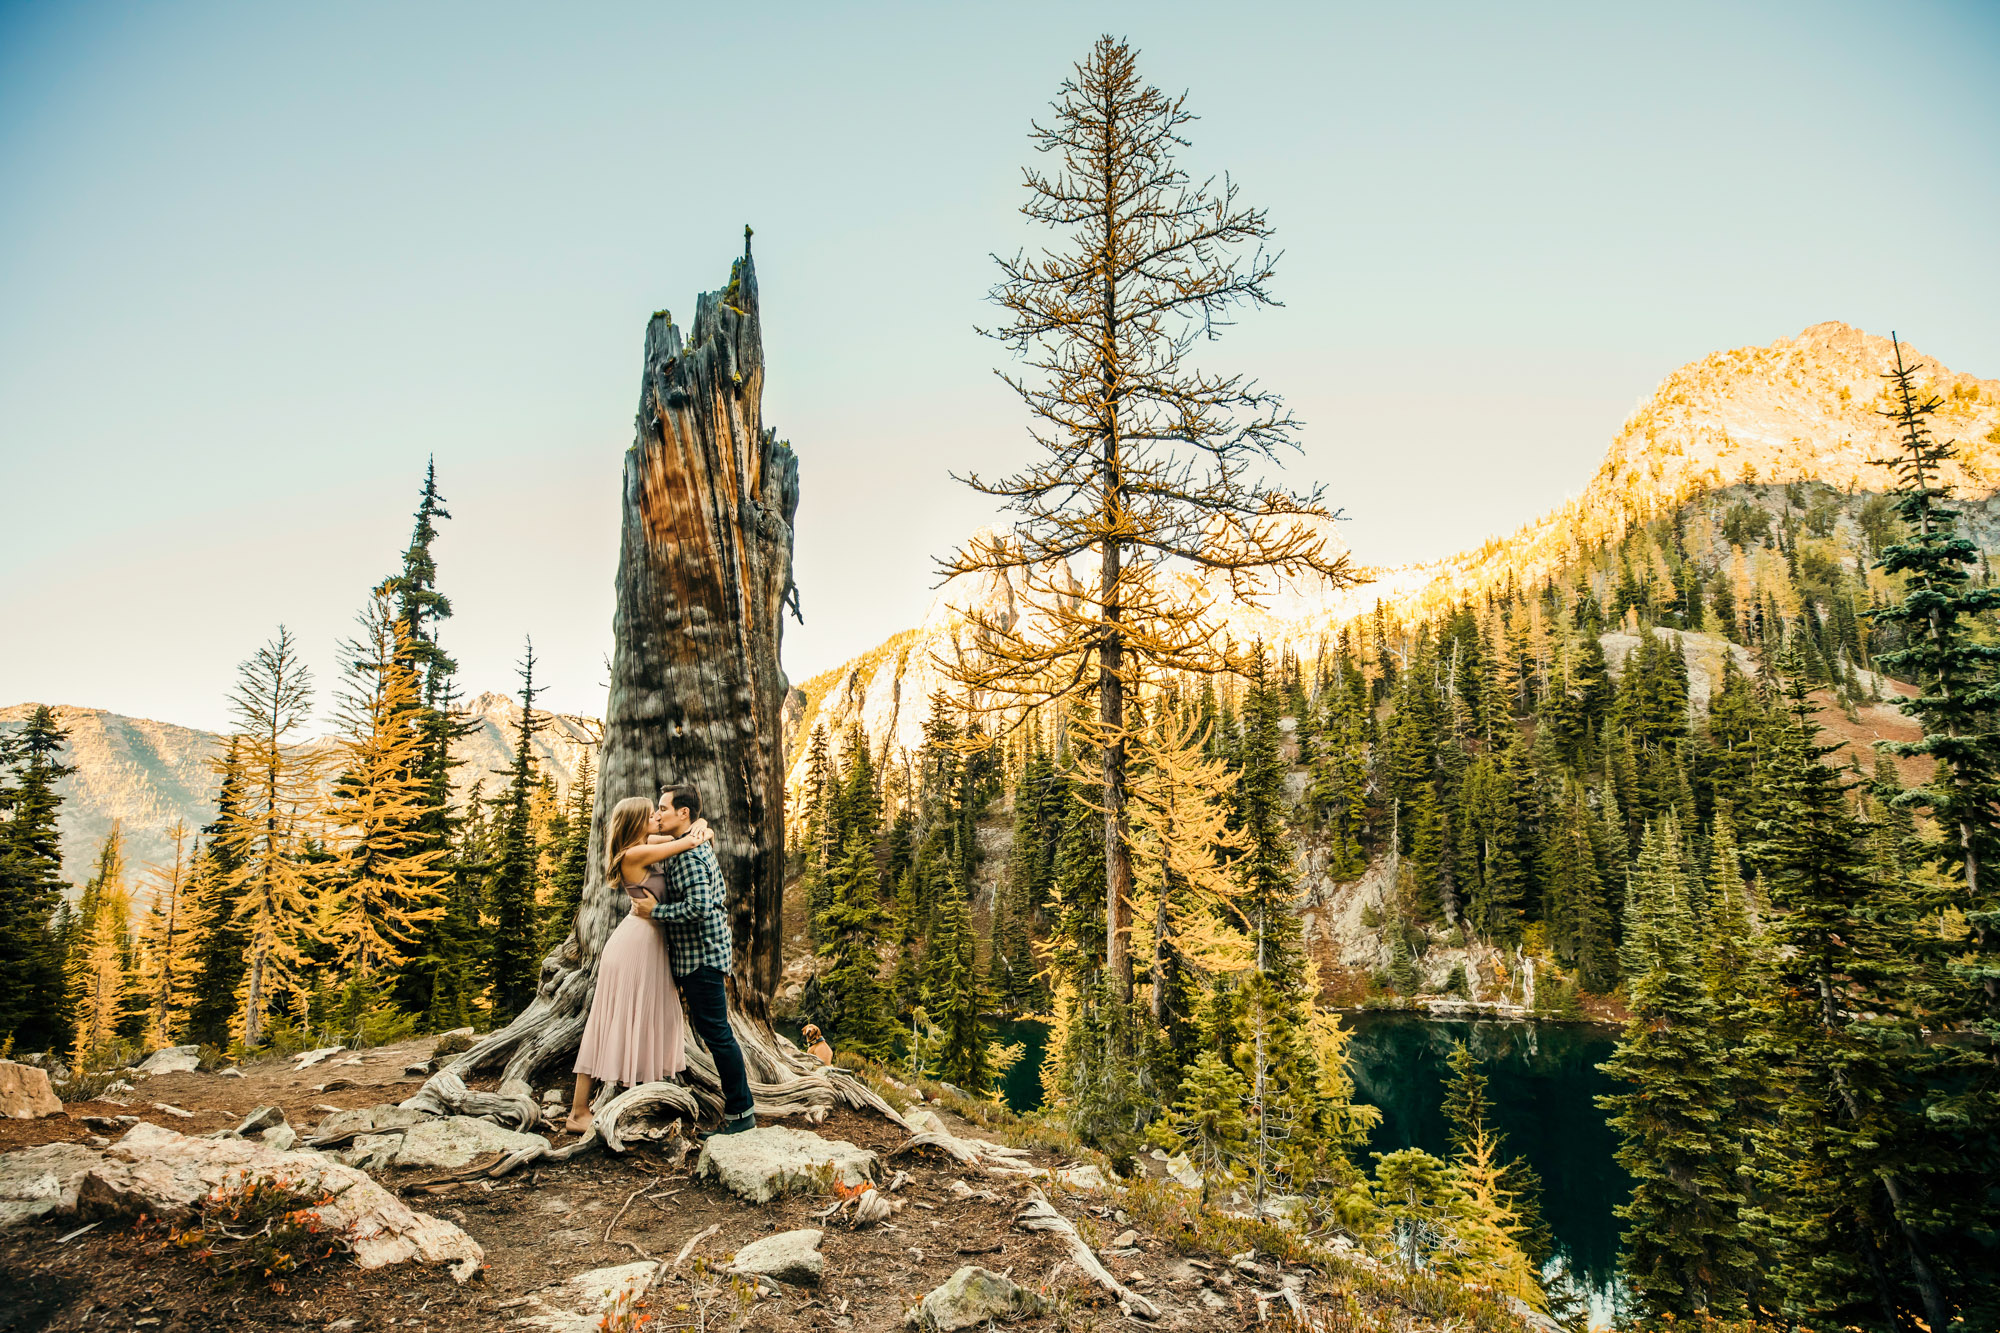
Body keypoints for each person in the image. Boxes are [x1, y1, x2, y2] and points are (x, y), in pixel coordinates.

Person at [565, 796, 710, 1137]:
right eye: (651, 814)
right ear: (635, 821)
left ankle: (639, 1098)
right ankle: (577, 1111)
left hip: (650, 941)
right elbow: (690, 840)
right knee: (613, 1019)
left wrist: (699, 825)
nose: (657, 817)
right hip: (636, 943)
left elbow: (702, 832)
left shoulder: (645, 844)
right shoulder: (634, 854)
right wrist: (695, 830)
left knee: (652, 1017)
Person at [630, 782, 757, 1135]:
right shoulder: (685, 845)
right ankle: (740, 1110)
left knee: (717, 1034)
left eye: (664, 808)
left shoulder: (687, 854)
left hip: (701, 957)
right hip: (699, 954)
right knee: (715, 1032)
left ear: (683, 813)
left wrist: (657, 911)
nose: (659, 813)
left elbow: (699, 906)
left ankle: (741, 1114)